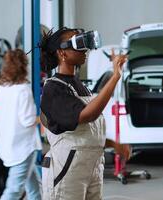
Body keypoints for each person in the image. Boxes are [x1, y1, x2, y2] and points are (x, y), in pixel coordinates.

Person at [39, 27, 127, 199]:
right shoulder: (54, 88)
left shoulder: (81, 87)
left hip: (91, 167)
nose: (85, 48)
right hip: (67, 170)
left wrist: (112, 144)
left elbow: (85, 134)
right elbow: (87, 115)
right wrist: (115, 76)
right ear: (62, 53)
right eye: (78, 43)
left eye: (84, 42)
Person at [0, 49, 42, 200]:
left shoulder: (0, 90)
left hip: (8, 146)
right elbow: (28, 120)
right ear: (23, 67)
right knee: (13, 191)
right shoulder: (23, 90)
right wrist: (45, 117)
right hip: (23, 148)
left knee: (33, 188)